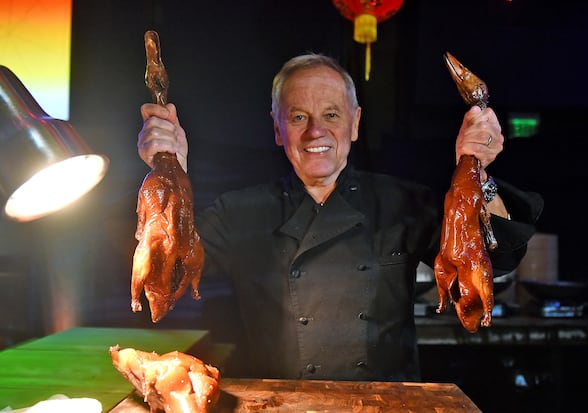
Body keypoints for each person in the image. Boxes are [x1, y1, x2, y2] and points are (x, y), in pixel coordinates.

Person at [136, 53, 543, 381]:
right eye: (298, 117)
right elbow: (163, 280)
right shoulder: (237, 212)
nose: (315, 133)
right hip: (280, 410)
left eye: (331, 115)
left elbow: (498, 257)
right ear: (278, 129)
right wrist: (169, 172)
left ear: (355, 124)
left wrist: (479, 174)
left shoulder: (402, 202)